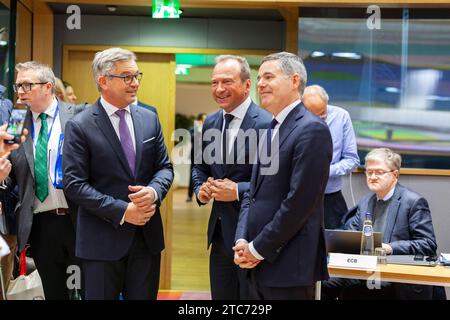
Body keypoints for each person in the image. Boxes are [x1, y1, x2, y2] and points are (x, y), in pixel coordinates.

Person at [63, 47, 173, 300]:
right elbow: (74, 184)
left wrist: (154, 191)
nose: (134, 83)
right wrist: (123, 211)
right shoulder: (80, 125)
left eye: (136, 76)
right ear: (103, 81)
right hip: (101, 240)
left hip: (146, 239)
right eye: (127, 77)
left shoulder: (149, 118)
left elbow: (164, 167)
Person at [233, 52, 332, 300]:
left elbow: (299, 203)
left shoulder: (312, 130)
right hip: (256, 263)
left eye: (269, 77)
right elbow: (252, 194)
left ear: (294, 80)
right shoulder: (270, 129)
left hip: (289, 266)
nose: (260, 84)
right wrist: (242, 240)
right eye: (259, 78)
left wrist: (257, 249)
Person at [192, 55, 271, 300]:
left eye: (227, 82)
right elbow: (199, 167)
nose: (219, 89)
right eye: (214, 82)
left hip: (253, 236)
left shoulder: (268, 124)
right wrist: (200, 189)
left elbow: (272, 183)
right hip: (219, 235)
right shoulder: (212, 122)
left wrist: (237, 190)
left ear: (247, 85)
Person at [5, 61, 85, 299]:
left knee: (90, 291)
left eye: (27, 85)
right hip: (42, 225)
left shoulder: (79, 115)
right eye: (18, 85)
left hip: (80, 220)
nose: (20, 91)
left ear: (48, 86)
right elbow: (11, 178)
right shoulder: (16, 122)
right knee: (54, 293)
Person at [322, 148, 438, 300]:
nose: (373, 177)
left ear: (394, 175)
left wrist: (388, 248)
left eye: (379, 172)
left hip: (395, 277)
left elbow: (428, 244)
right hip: (366, 272)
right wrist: (333, 241)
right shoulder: (366, 202)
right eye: (369, 172)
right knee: (321, 282)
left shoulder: (413, 202)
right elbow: (351, 235)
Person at [302, 85, 360, 229]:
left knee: (334, 246)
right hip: (300, 197)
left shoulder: (341, 116)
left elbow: (352, 160)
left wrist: (326, 171)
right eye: (315, 115)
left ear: (327, 102)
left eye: (323, 113)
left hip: (331, 198)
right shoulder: (295, 119)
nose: (321, 119)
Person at [187, 113, 206, 202]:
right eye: (203, 119)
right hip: (195, 156)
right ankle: (190, 196)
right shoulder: (193, 129)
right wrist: (198, 129)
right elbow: (191, 137)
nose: (204, 121)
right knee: (192, 175)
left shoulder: (209, 128)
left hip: (207, 156)